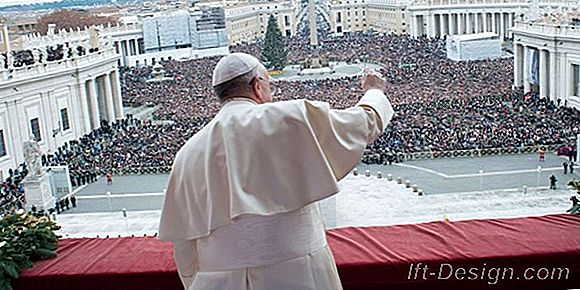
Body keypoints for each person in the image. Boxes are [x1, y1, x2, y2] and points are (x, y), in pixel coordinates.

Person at [158, 53, 394, 290]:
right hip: (299, 274)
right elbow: (365, 122)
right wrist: (375, 91)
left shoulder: (187, 153)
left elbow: (184, 245)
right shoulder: (288, 118)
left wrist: (199, 282)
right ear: (257, 86)